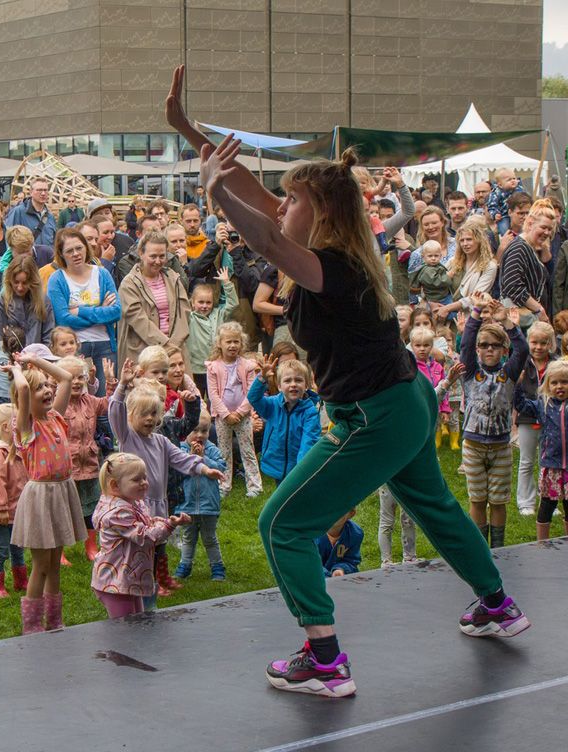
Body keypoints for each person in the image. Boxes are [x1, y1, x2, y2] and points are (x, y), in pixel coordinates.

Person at [166, 64, 528, 698]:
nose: (282, 205)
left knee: (282, 524)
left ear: (322, 210)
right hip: (403, 401)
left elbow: (269, 243)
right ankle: (497, 604)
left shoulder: (332, 268)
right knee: (437, 507)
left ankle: (325, 658)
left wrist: (213, 196)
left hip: (376, 414)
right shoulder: (333, 244)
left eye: (294, 199)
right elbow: (254, 193)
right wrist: (184, 129)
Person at [108, 362, 224, 610]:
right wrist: (121, 386)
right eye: (144, 414)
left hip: (158, 507)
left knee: (154, 554)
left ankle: (148, 605)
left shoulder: (160, 441)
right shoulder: (127, 437)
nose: (150, 419)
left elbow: (182, 459)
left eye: (154, 413)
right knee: (138, 558)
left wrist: (205, 469)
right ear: (131, 416)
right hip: (137, 509)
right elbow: (114, 412)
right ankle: (130, 601)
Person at [8, 352, 85, 633]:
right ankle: (31, 625)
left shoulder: (55, 418)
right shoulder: (27, 426)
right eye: (40, 387)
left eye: (46, 386)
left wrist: (35, 360)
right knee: (41, 565)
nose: (47, 390)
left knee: (55, 564)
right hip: (41, 498)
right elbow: (24, 388)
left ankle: (54, 620)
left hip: (62, 492)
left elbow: (64, 377)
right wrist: (18, 369)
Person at [91, 453, 190, 618]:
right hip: (115, 582)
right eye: (137, 479)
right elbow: (145, 536)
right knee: (126, 631)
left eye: (145, 477)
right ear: (115, 485)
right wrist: (169, 525)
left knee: (137, 623)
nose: (144, 483)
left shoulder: (133, 502)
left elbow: (147, 523)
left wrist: (163, 521)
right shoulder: (117, 512)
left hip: (128, 579)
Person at [47, 227, 120, 393]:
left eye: (79, 248)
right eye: (69, 251)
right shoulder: (57, 279)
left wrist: (80, 311)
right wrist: (101, 311)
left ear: (86, 248)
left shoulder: (102, 274)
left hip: (105, 345)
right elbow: (64, 319)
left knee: (105, 398)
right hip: (75, 346)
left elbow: (115, 312)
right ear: (61, 254)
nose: (76, 254)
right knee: (77, 399)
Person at [60, 355, 110, 562]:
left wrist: (114, 382)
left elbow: (109, 404)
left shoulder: (90, 401)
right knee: (63, 509)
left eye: (80, 377)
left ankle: (91, 546)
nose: (77, 382)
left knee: (90, 508)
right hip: (66, 466)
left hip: (89, 463)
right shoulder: (57, 404)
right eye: (70, 378)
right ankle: (59, 551)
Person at [117, 231, 191, 369]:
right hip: (143, 352)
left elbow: (185, 312)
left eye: (162, 256)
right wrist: (164, 345)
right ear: (141, 253)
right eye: (153, 256)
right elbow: (138, 319)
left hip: (175, 352)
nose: (158, 261)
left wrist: (174, 346)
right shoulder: (129, 283)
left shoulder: (173, 277)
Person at [206, 321, 262, 497]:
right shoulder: (213, 367)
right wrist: (225, 414)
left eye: (236, 342)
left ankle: (254, 486)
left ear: (241, 343)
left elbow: (252, 392)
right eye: (228, 341)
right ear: (219, 343)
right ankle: (223, 485)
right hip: (222, 417)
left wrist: (239, 412)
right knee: (224, 452)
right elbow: (213, 394)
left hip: (243, 416)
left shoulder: (248, 365)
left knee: (248, 450)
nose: (232, 345)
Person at [514, 360, 568, 540]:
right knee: (547, 505)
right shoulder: (541, 405)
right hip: (551, 467)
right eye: (555, 382)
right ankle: (541, 545)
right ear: (547, 385)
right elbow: (520, 405)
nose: (560, 386)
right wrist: (518, 385)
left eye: (565, 382)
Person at [247, 357, 321, 485]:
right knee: (283, 498)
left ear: (307, 385)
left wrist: (301, 469)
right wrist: (262, 379)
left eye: (298, 380)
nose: (293, 384)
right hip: (277, 462)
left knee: (298, 498)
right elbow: (253, 398)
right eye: (287, 380)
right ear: (279, 386)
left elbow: (308, 441)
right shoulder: (272, 405)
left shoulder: (310, 412)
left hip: (298, 466)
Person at [173, 413, 227, 581]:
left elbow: (220, 468)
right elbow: (177, 470)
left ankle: (217, 566)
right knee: (188, 537)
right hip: (187, 505)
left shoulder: (212, 450)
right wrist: (191, 456)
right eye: (195, 430)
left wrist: (204, 458)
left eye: (204, 430)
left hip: (208, 505)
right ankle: (185, 564)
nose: (199, 435)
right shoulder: (180, 449)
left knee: (210, 537)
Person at [0, 403, 28, 598]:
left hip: (16, 511)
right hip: (0, 514)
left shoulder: (15, 450)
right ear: (6, 427)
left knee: (18, 548)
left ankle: (21, 580)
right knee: (1, 549)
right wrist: (1, 508)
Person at [514, 321, 556, 517]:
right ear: (528, 342)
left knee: (547, 461)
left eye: (543, 343)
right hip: (527, 417)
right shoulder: (522, 361)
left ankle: (548, 499)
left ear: (550, 344)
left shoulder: (557, 364)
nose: (538, 347)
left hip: (552, 418)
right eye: (534, 342)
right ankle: (525, 502)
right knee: (526, 460)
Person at [499, 199, 559, 325]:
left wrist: (544, 248)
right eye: (543, 227)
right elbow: (512, 285)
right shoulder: (519, 248)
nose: (547, 232)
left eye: (550, 229)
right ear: (530, 224)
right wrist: (539, 309)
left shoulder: (531, 247)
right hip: (518, 322)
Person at [187, 274, 238, 398]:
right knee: (196, 398)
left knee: (215, 398)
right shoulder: (190, 318)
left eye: (208, 302)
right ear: (193, 303)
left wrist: (227, 283)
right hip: (196, 368)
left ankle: (214, 417)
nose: (205, 306)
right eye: (201, 302)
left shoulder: (219, 314)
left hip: (216, 367)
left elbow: (233, 304)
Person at [0, 254, 54, 348]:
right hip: (8, 360)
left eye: (25, 283)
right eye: (16, 282)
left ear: (32, 281)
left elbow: (49, 338)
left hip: (38, 358)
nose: (20, 287)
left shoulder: (43, 301)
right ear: (9, 280)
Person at [435, 222, 497, 319]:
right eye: (462, 240)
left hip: (470, 317)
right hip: (446, 315)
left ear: (479, 240)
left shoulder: (489, 266)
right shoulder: (453, 262)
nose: (465, 244)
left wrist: (447, 308)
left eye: (469, 239)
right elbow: (436, 282)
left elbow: (476, 297)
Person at [5, 178, 56, 247]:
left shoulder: (50, 216)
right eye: (39, 190)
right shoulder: (18, 212)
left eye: (45, 190)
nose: (43, 193)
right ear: (31, 192)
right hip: (26, 257)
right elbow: (9, 239)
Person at [315, 510, 363, 578]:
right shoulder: (310, 533)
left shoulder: (355, 533)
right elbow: (308, 563)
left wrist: (340, 569)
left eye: (341, 508)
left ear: (351, 513)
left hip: (340, 582)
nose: (335, 513)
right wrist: (328, 576)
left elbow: (351, 560)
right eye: (330, 507)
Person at [409, 240, 456, 308]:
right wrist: (448, 276)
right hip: (436, 298)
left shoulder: (435, 266)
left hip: (441, 295)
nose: (433, 258)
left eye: (436, 256)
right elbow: (435, 281)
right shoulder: (427, 270)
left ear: (440, 256)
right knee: (452, 313)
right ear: (423, 257)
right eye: (430, 256)